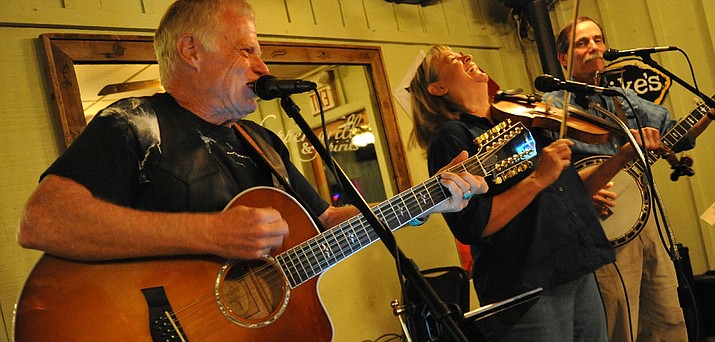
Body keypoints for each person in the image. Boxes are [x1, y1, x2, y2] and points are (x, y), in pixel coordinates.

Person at [17, 1, 486, 292]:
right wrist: (211, 234)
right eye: (247, 50)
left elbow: (322, 222)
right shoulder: (134, 123)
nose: (263, 67)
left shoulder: (261, 141)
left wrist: (425, 201)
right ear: (191, 51)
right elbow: (43, 221)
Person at [408, 44, 662, 341]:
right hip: (527, 283)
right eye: (453, 59)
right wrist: (538, 177)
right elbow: (474, 226)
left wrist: (620, 158)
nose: (467, 57)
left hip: (574, 263)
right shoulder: (452, 136)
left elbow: (568, 190)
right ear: (437, 87)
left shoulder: (520, 120)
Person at [543, 17, 714, 342]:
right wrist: (580, 193)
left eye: (597, 40)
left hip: (645, 224)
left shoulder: (619, 98)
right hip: (601, 233)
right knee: (622, 325)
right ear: (563, 58)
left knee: (668, 320)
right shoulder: (552, 109)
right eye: (582, 43)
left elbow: (672, 135)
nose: (593, 47)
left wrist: (707, 114)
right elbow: (544, 174)